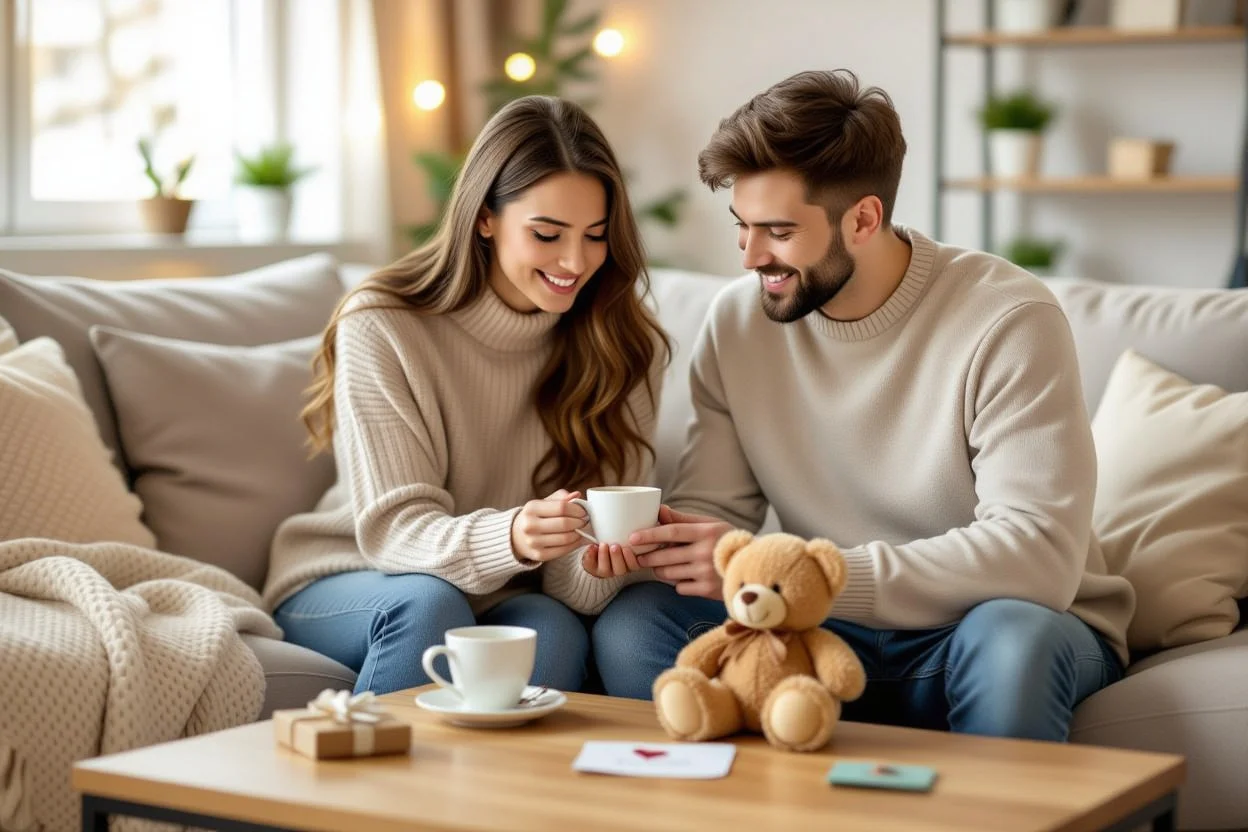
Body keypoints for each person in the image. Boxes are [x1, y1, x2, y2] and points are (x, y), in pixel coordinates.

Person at [591, 70, 1135, 743]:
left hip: (983, 626)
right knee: (636, 624)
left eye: (778, 231)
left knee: (1012, 643)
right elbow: (719, 520)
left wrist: (816, 579)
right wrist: (657, 548)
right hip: (813, 633)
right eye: (742, 227)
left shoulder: (1007, 317)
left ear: (864, 219)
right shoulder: (736, 325)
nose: (751, 256)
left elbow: (1036, 560)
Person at [262, 96, 669, 697]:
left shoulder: (623, 344)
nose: (574, 261)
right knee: (430, 606)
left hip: (507, 589)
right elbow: (393, 530)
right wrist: (509, 537)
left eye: (596, 236)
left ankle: (498, 795)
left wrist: (591, 560)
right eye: (547, 233)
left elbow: (574, 588)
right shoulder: (383, 323)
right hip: (358, 572)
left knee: (555, 633)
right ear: (485, 218)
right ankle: (376, 791)